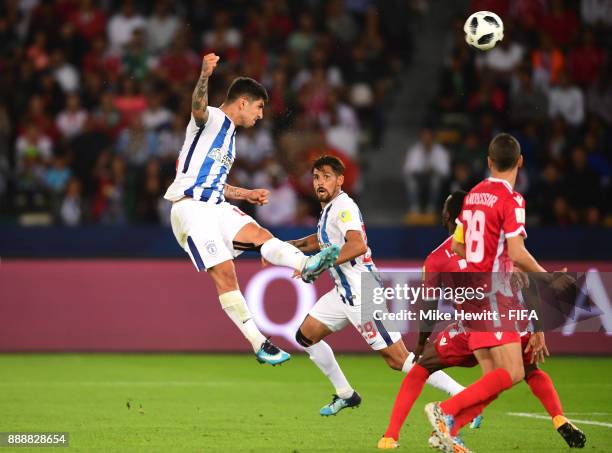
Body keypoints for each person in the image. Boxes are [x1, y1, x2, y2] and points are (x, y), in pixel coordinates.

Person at [163, 53, 340, 367]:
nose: (261, 115)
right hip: (190, 209)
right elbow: (197, 108)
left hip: (214, 205)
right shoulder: (214, 119)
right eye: (259, 107)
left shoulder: (230, 140)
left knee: (261, 235)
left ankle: (307, 263)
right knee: (226, 275)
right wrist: (204, 75)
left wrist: (245, 193)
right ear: (242, 103)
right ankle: (259, 342)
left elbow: (215, 183)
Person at [377, 191, 586, 450]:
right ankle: (557, 417)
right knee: (523, 371)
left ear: (452, 219)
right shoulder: (496, 244)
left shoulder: (437, 258)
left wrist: (421, 343)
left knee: (422, 367)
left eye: (444, 211)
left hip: (470, 331)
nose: (442, 216)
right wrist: (536, 327)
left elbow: (429, 303)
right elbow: (526, 283)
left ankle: (392, 435)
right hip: (508, 324)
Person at [424, 133, 576, 452]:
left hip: (475, 296)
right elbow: (518, 253)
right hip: (494, 294)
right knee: (514, 371)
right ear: (520, 162)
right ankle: (445, 412)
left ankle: (448, 429)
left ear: (489, 161)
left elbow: (458, 244)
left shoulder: (475, 194)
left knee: (496, 377)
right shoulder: (513, 201)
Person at [288, 155, 465, 416]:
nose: (320, 182)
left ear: (340, 180)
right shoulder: (330, 209)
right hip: (343, 293)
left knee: (399, 359)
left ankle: (461, 394)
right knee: (306, 335)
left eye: (327, 177)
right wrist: (289, 247)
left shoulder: (343, 207)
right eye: (316, 177)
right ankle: (346, 394)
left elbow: (357, 244)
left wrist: (318, 265)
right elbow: (322, 240)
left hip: (363, 290)